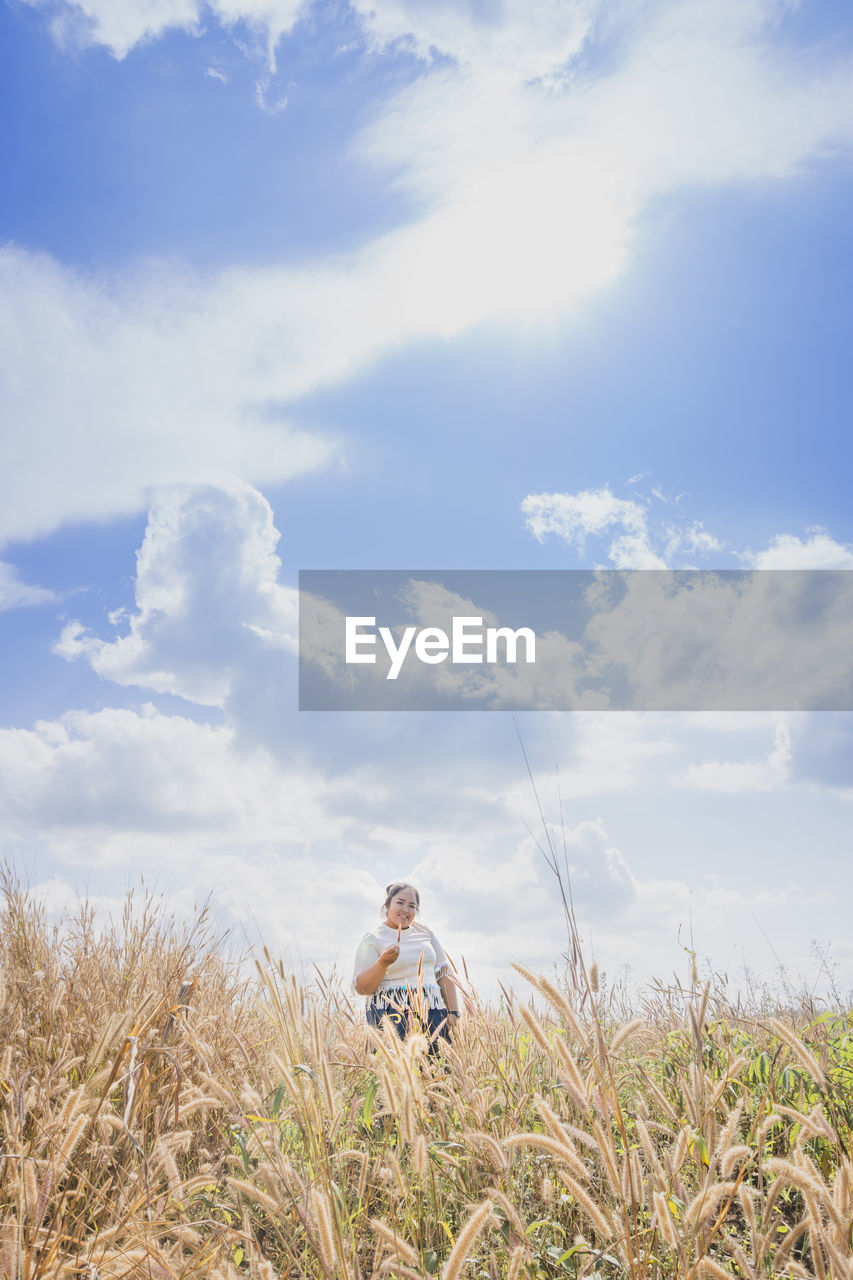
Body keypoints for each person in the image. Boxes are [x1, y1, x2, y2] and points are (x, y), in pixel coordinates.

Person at [353, 881, 459, 1052]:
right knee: (396, 1071)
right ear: (387, 905)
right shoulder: (373, 938)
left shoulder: (426, 933)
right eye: (400, 903)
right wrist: (382, 964)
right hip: (390, 1016)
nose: (405, 909)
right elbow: (362, 987)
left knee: (436, 1070)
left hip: (433, 1014)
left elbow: (444, 974)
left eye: (412, 906)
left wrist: (453, 1012)